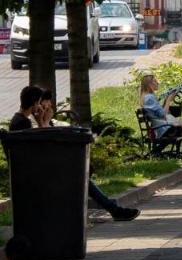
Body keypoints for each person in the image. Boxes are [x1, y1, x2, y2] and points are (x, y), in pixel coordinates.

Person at [9, 86, 139, 221]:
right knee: (80, 175)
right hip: (36, 175)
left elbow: (41, 146)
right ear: (35, 103)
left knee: (81, 174)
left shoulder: (19, 120)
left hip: (33, 171)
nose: (42, 105)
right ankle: (113, 209)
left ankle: (113, 209)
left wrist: (43, 121)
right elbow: (43, 148)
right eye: (40, 102)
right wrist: (45, 122)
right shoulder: (23, 123)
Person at [140, 74, 182, 165]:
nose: (157, 83)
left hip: (162, 125)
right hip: (164, 128)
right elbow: (163, 115)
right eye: (155, 81)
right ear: (149, 84)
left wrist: (166, 100)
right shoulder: (150, 98)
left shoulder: (148, 96)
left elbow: (159, 113)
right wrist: (168, 101)